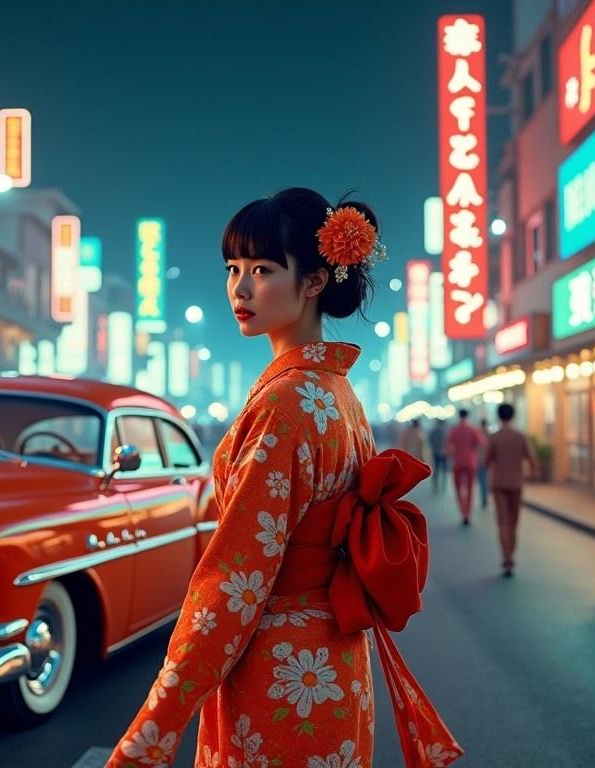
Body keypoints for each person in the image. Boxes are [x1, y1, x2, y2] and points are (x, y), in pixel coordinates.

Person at [107, 189, 460, 768]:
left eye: (263, 270)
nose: (240, 289)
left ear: (315, 281)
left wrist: (155, 728)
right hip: (333, 660)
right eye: (233, 269)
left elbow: (235, 581)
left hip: (279, 668)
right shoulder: (336, 391)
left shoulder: (284, 404)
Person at [484, 403, 538, 577]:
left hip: (498, 484)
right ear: (513, 416)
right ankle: (511, 556)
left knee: (502, 523)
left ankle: (505, 556)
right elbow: (532, 458)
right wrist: (532, 473)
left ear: (499, 416)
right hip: (516, 483)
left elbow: (485, 461)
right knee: (514, 523)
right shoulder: (520, 436)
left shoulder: (494, 437)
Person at [446, 409, 485, 525]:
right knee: (470, 489)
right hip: (471, 462)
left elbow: (449, 447)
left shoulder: (454, 430)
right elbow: (482, 445)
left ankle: (463, 512)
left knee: (458, 489)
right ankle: (468, 513)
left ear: (459, 416)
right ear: (468, 416)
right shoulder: (474, 430)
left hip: (458, 462)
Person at [429, 418, 448, 493]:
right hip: (443, 454)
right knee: (444, 470)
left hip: (435, 453)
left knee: (436, 470)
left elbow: (430, 441)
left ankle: (436, 486)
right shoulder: (445, 431)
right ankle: (443, 485)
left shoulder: (433, 431)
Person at [476, 418, 491, 509]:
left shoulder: (478, 434)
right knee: (484, 480)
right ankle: (484, 497)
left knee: (482, 481)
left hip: (480, 461)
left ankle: (484, 497)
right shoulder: (488, 435)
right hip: (485, 461)